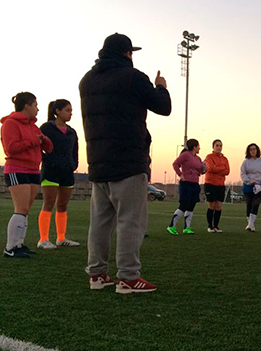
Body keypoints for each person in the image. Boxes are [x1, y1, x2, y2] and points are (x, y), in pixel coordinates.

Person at [80, 33, 171, 294]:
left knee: (100, 222)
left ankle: (97, 274)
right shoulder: (132, 77)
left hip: (98, 161)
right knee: (131, 220)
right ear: (127, 53)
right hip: (128, 159)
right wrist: (161, 86)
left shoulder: (87, 80)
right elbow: (163, 107)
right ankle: (128, 277)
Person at [1, 92, 53, 258]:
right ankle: (10, 248)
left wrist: (43, 140)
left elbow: (49, 147)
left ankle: (19, 244)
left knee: (25, 210)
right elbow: (11, 148)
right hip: (17, 169)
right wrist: (34, 141)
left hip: (33, 170)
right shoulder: (10, 123)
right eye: (35, 105)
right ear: (27, 106)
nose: (38, 109)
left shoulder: (32, 126)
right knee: (21, 209)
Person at [37, 99, 80, 249]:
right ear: (57, 111)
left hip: (67, 172)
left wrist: (73, 165)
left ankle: (61, 238)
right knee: (48, 203)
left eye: (71, 110)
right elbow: (38, 147)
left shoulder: (72, 132)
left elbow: (75, 151)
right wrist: (49, 161)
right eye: (67, 110)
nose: (70, 113)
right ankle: (43, 239)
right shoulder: (47, 128)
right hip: (51, 172)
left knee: (62, 205)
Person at [168, 139, 205, 235]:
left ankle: (187, 228)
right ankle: (171, 226)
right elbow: (175, 164)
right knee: (184, 204)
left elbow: (200, 171)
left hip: (195, 183)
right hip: (186, 183)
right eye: (198, 146)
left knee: (191, 205)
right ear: (194, 146)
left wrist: (204, 169)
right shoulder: (185, 155)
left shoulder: (198, 158)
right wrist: (180, 174)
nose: (199, 148)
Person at [240, 143, 261, 232]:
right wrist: (249, 181)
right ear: (248, 151)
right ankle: (251, 224)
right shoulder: (246, 162)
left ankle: (250, 224)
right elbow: (243, 173)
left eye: (254, 149)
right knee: (249, 204)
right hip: (248, 185)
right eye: (251, 149)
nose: (253, 151)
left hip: (260, 186)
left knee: (256, 204)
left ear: (257, 150)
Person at [204, 139, 230, 233]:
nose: (219, 147)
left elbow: (227, 171)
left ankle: (216, 226)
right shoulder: (209, 157)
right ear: (213, 147)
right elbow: (210, 168)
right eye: (217, 145)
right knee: (211, 205)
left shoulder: (225, 159)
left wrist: (217, 168)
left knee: (218, 206)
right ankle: (210, 226)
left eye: (220, 145)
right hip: (210, 184)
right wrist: (221, 168)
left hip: (220, 185)